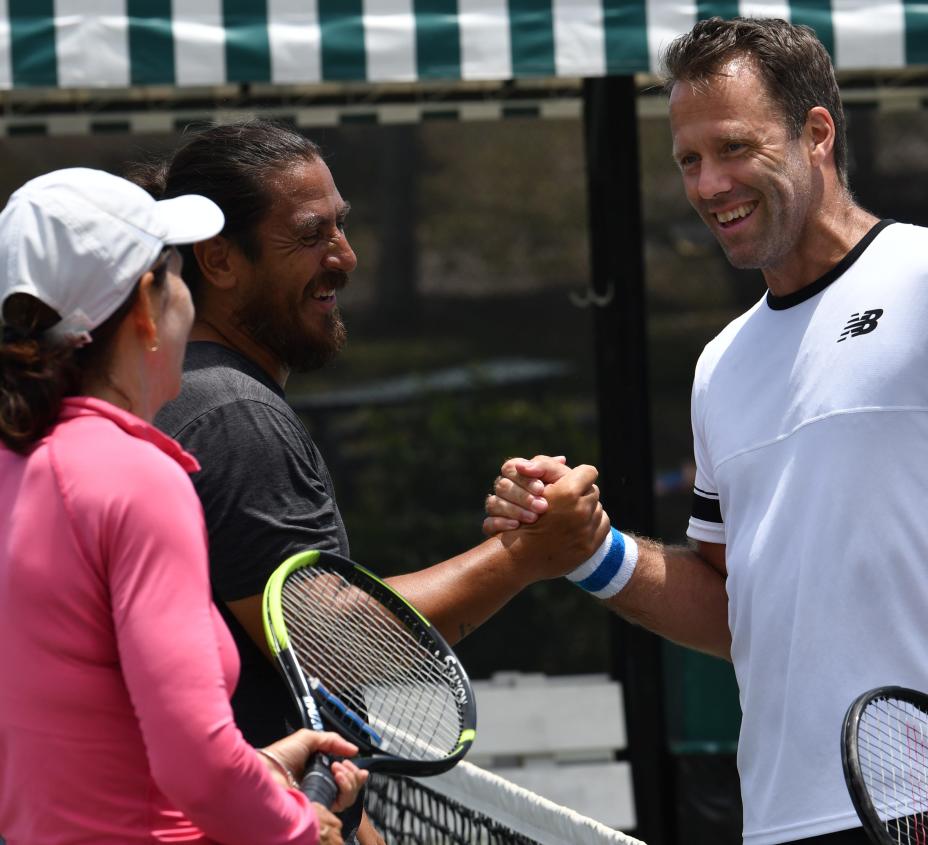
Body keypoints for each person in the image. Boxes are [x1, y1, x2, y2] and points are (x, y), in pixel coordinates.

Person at [486, 18, 928, 845]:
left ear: (817, 134)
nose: (708, 183)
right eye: (688, 159)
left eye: (732, 148)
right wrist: (591, 551)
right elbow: (738, 609)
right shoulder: (720, 366)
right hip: (780, 826)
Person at [136, 121, 608, 843]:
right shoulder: (234, 415)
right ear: (220, 260)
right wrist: (526, 554)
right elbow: (333, 645)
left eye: (342, 227)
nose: (345, 258)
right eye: (309, 235)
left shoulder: (179, 398)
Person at [0, 168, 366, 844]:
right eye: (175, 275)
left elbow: (74, 751)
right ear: (145, 303)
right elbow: (194, 759)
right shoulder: (138, 476)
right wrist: (295, 825)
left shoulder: (18, 463)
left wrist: (257, 770)